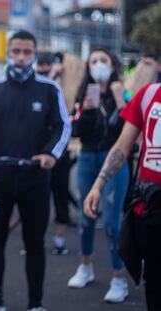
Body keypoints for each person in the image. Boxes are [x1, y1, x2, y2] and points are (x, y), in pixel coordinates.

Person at [0, 30, 71, 311]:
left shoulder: (49, 88)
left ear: (34, 54)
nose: (21, 57)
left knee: (34, 242)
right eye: (16, 51)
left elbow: (62, 126)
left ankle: (36, 303)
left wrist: (49, 154)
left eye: (27, 52)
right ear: (8, 52)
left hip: (35, 176)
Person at [83, 82, 161, 311]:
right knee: (155, 283)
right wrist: (98, 185)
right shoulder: (149, 94)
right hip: (151, 209)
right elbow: (121, 147)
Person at [67, 48, 130, 303]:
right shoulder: (86, 94)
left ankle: (119, 278)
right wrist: (89, 110)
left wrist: (121, 99)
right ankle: (85, 266)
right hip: (88, 158)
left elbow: (130, 127)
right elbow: (77, 131)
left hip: (114, 160)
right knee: (86, 217)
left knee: (113, 223)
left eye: (103, 60)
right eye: (93, 61)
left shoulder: (121, 92)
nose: (98, 65)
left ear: (113, 65)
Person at [36, 51, 71, 255]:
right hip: (39, 149)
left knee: (60, 193)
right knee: (39, 196)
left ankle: (60, 237)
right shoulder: (42, 85)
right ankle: (36, 236)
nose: (43, 68)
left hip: (59, 151)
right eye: (40, 65)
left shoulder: (66, 84)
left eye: (47, 65)